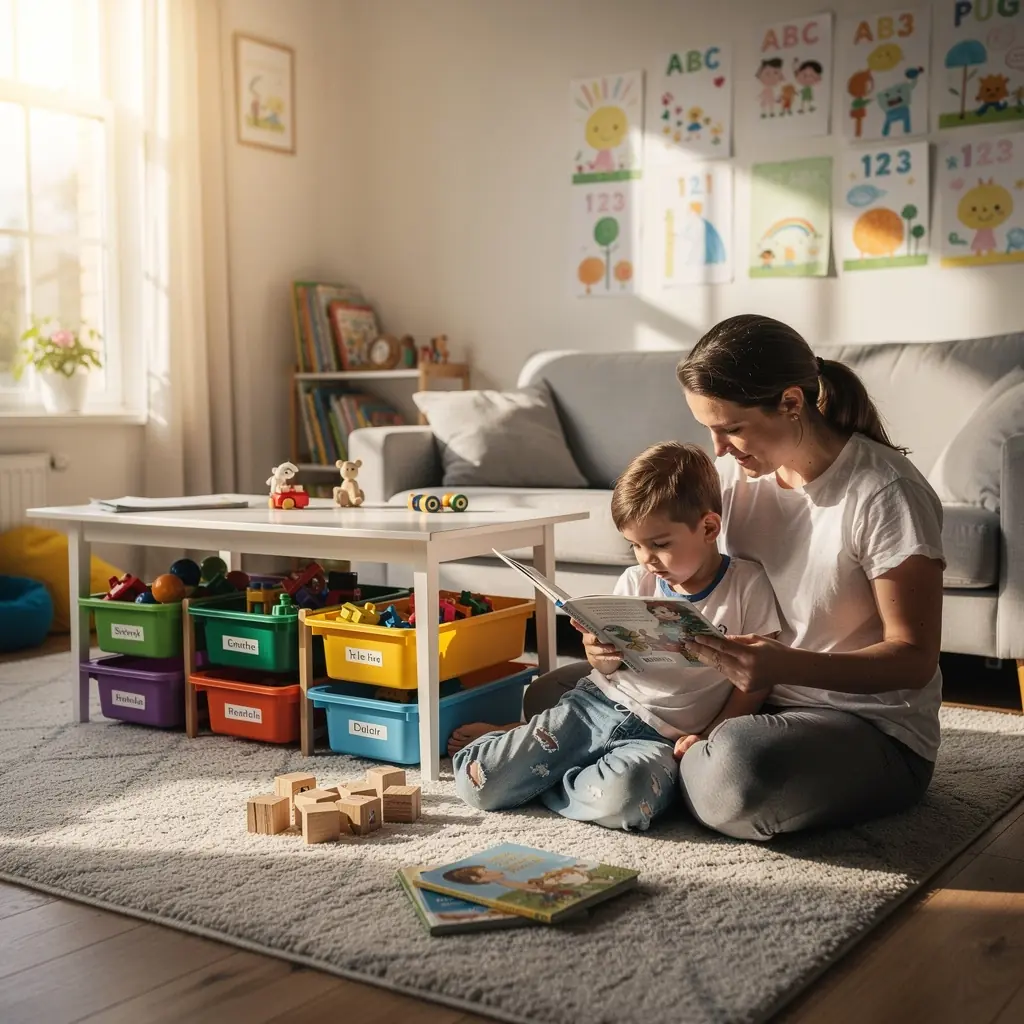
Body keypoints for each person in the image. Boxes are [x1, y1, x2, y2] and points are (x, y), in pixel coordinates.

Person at [529, 314, 945, 842]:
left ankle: (640, 774)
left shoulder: (885, 493)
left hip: (861, 724)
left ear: (791, 403)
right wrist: (610, 641)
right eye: (709, 429)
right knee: (547, 695)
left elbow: (914, 659)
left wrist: (782, 665)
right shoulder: (733, 476)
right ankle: (648, 770)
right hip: (736, 695)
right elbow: (691, 572)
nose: (719, 447)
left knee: (735, 774)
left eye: (731, 428)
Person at [451, 442, 780, 831]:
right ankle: (525, 754)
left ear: (708, 528)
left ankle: (542, 771)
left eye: (659, 544)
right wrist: (598, 653)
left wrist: (709, 735)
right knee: (480, 782)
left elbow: (755, 682)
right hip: (593, 707)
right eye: (635, 546)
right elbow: (607, 666)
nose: (646, 558)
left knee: (629, 800)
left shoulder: (747, 586)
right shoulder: (635, 580)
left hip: (659, 739)